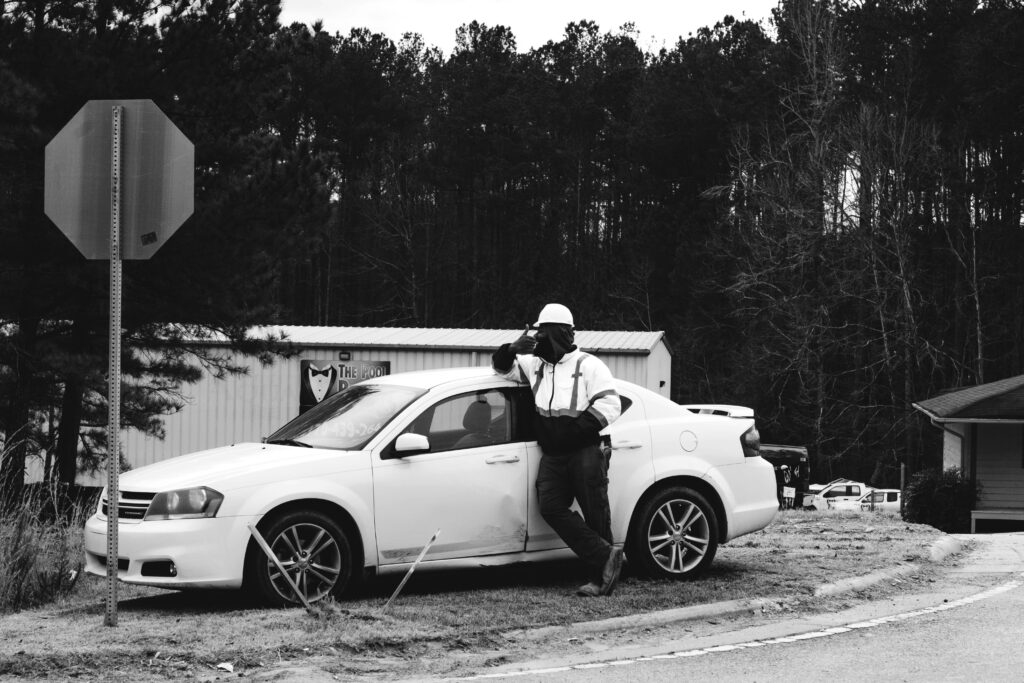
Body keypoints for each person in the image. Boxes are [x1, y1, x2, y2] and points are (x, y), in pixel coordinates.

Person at [492, 303, 623, 597]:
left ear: (561, 334)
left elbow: (610, 405)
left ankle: (600, 579)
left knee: (595, 512)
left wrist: (572, 432)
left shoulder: (589, 365)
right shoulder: (534, 365)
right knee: (550, 506)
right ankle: (605, 556)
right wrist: (512, 348)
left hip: (586, 450)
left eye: (543, 334)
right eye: (537, 335)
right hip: (553, 454)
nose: (539, 341)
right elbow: (501, 367)